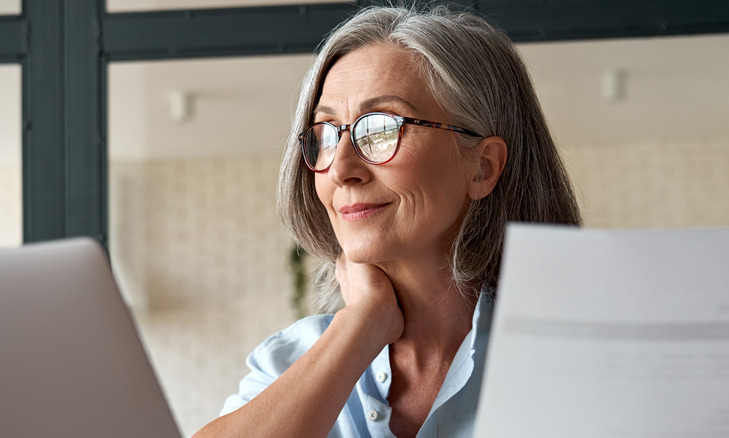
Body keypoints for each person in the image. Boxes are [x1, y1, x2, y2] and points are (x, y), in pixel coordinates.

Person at [194, 5, 580, 438]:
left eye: (380, 128)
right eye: (325, 133)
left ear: (482, 167)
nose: (340, 169)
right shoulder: (288, 361)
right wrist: (363, 324)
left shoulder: (577, 353)